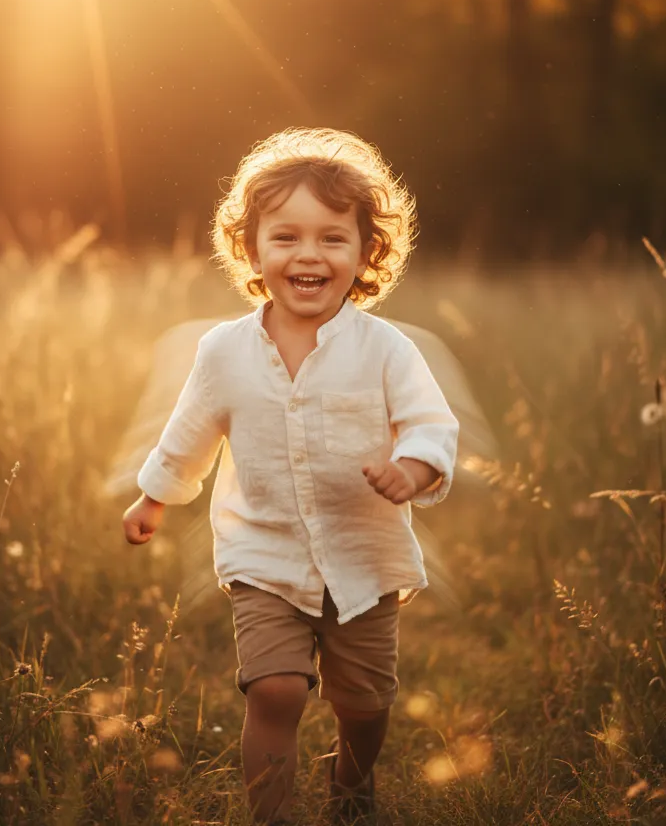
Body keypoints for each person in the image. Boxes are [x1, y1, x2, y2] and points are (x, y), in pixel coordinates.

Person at [121, 127, 459, 824]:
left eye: (333, 238)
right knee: (275, 691)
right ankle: (269, 815)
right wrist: (155, 496)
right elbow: (190, 432)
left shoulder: (386, 350)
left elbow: (433, 424)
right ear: (251, 248)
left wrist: (413, 467)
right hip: (263, 557)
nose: (309, 254)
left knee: (364, 703)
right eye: (286, 237)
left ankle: (351, 784)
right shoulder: (225, 351)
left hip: (366, 560)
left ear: (367, 252)